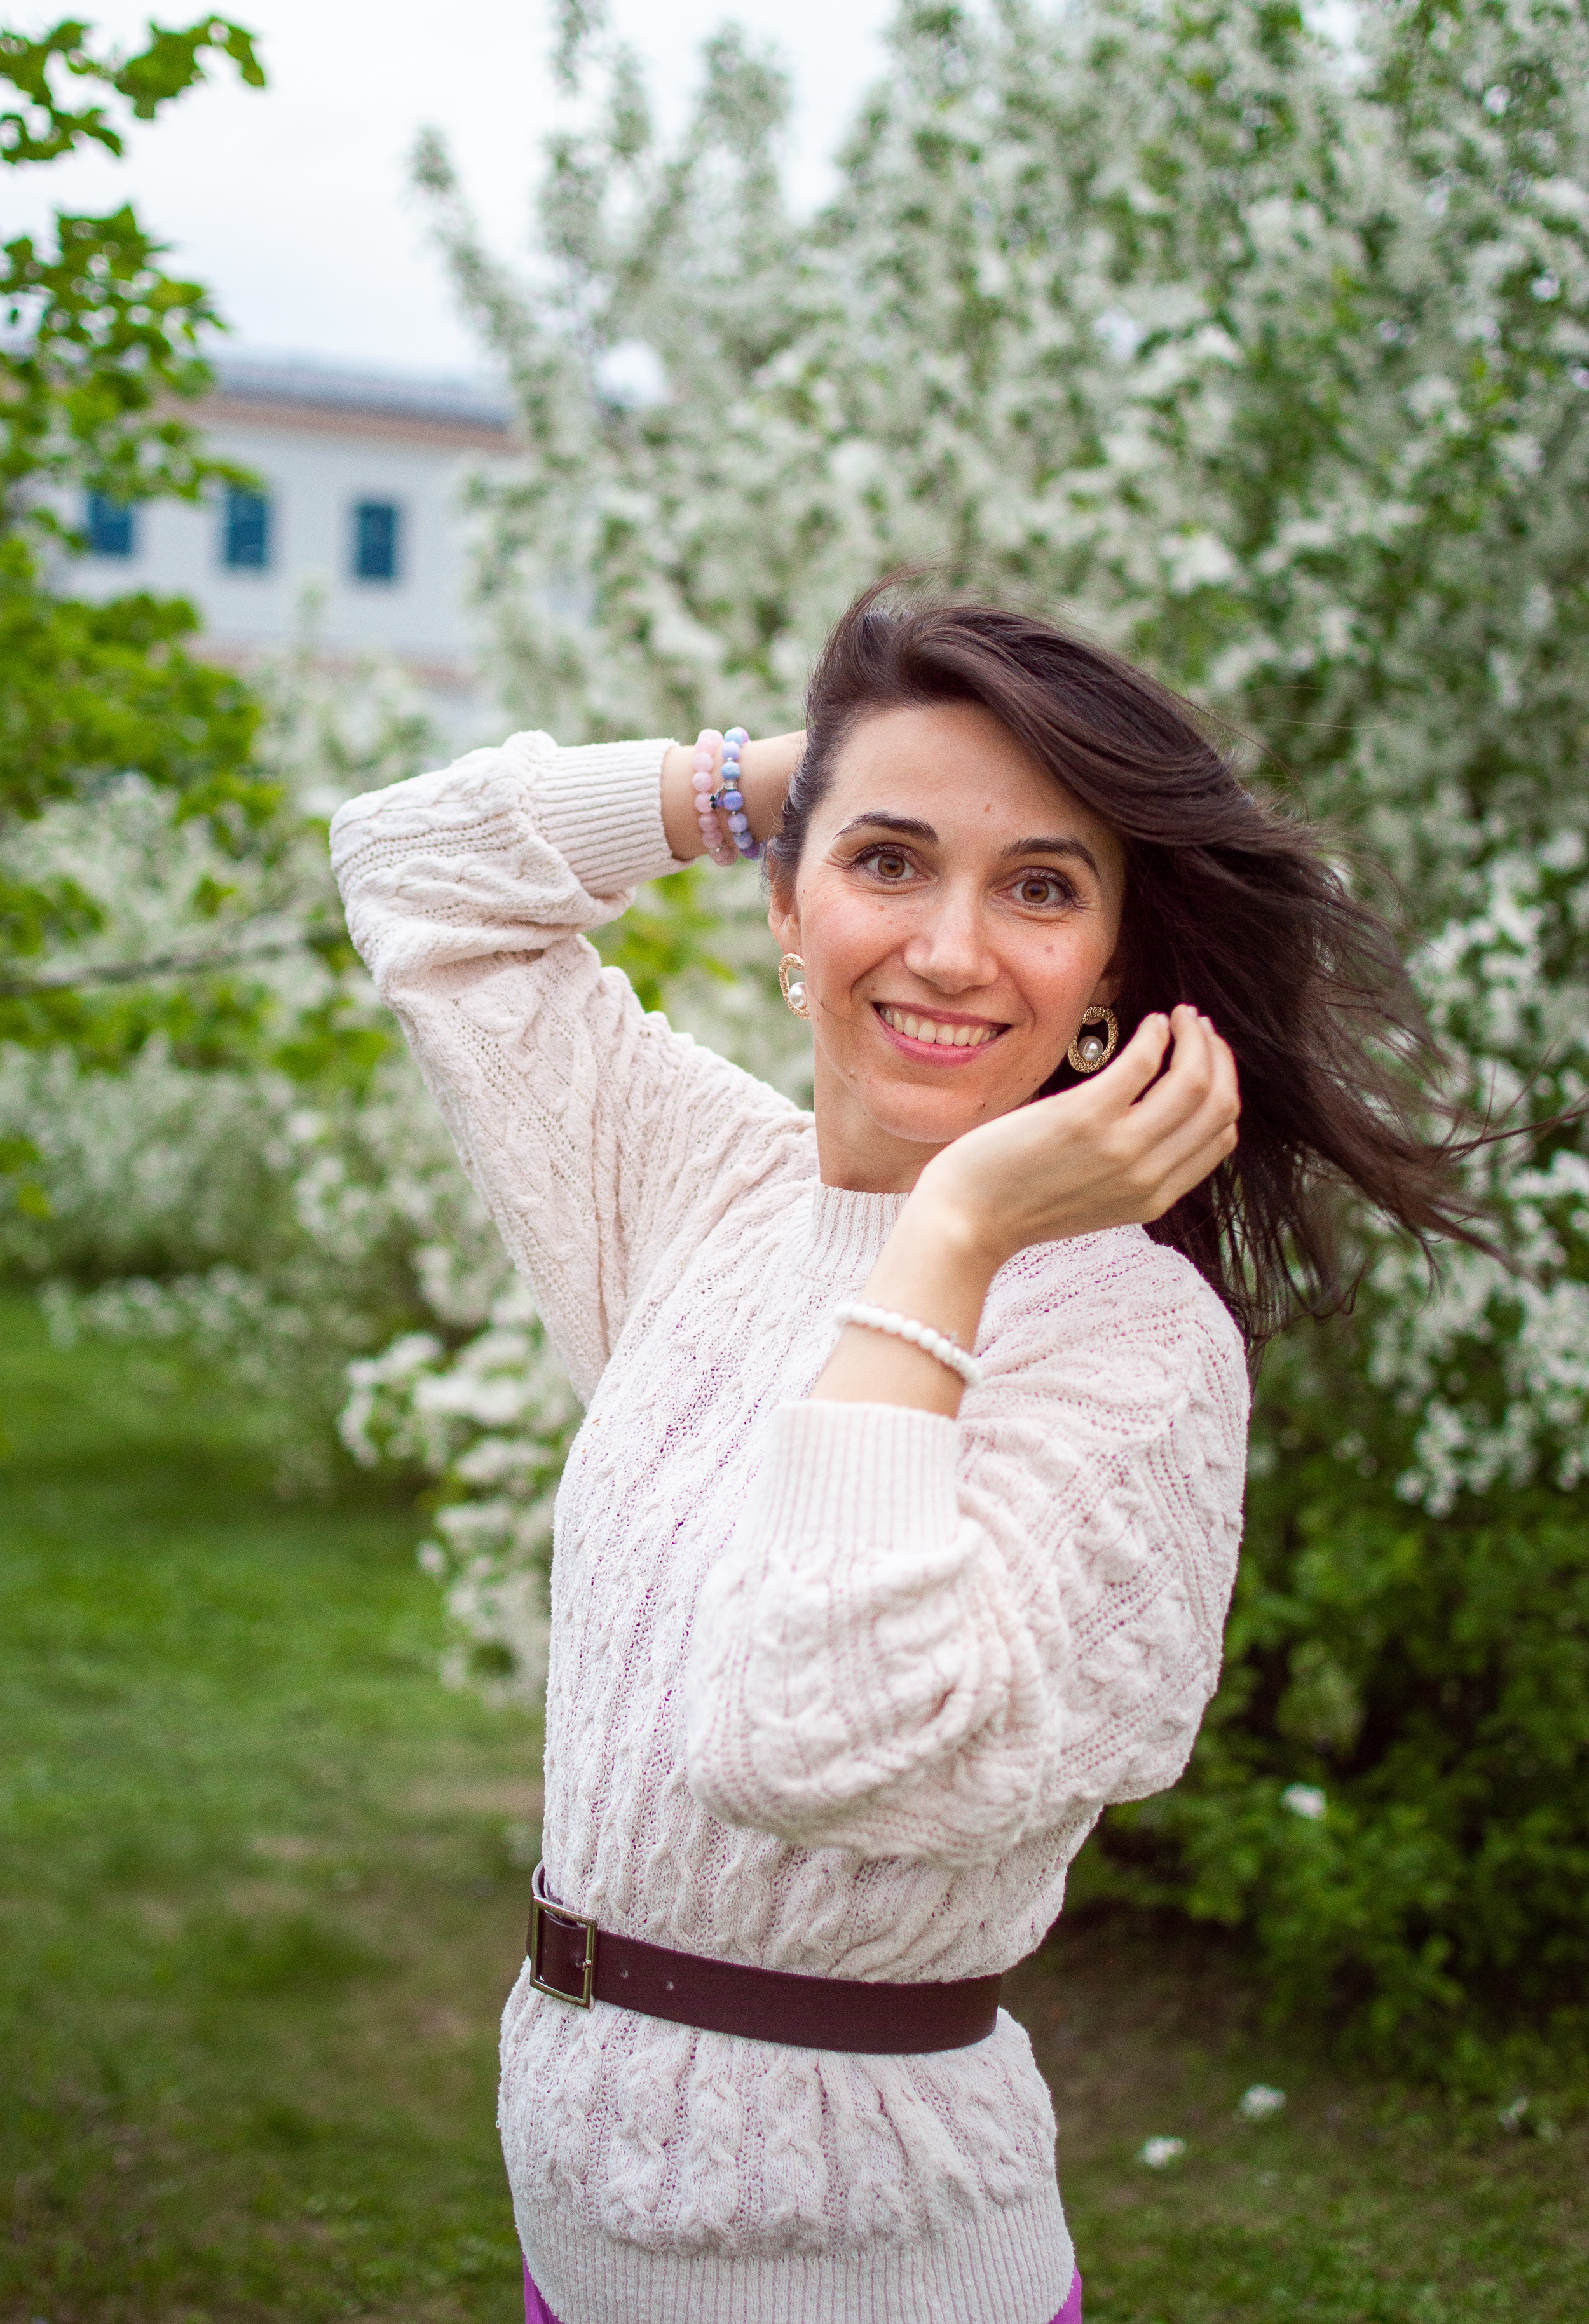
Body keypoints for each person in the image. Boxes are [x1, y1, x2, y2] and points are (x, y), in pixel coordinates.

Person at [331, 585, 1471, 2324]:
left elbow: (812, 1740)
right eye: (886, 862)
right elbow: (415, 867)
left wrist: (952, 1239)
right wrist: (793, 769)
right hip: (577, 2237)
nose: (947, 947)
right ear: (787, 909)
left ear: (1108, 975)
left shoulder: (1128, 1348)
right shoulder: (706, 1194)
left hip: (859, 2274)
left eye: (1037, 886)